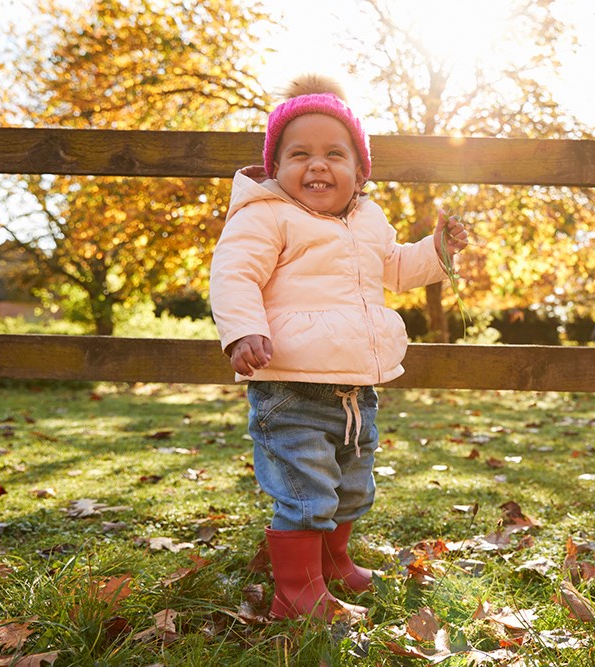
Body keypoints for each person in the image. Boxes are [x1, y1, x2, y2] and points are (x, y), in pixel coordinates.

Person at [209, 74, 468, 621]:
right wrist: (242, 330)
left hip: (356, 386)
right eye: (299, 154)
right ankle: (297, 595)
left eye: (334, 154)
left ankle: (332, 563)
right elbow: (234, 275)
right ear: (276, 168)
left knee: (352, 485)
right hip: (290, 384)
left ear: (360, 171)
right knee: (307, 492)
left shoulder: (368, 219)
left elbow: (396, 267)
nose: (318, 165)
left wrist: (438, 248)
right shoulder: (266, 214)